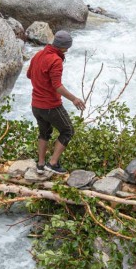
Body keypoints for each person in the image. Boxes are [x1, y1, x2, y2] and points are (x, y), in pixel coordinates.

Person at [27, 30, 86, 175]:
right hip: (50, 106)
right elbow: (57, 86)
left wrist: (41, 84)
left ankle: (40, 165)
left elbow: (29, 75)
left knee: (44, 133)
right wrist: (74, 99)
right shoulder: (56, 60)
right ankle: (52, 163)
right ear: (64, 47)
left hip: (36, 105)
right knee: (68, 131)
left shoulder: (38, 55)